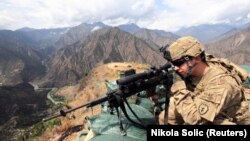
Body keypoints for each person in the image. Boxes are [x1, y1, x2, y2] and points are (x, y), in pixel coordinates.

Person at [158, 36, 249, 125]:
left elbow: (194, 120)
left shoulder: (221, 83)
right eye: (172, 63)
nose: (175, 68)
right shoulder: (194, 65)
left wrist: (178, 86)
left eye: (178, 63)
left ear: (197, 58)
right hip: (202, 99)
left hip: (230, 116)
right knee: (165, 118)